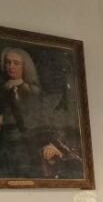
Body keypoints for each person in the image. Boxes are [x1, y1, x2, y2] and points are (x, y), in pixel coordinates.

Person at [0, 47, 72, 178]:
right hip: (5, 144)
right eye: (8, 62)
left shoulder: (33, 92)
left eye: (16, 63)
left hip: (27, 145)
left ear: (24, 66)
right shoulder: (3, 90)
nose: (11, 66)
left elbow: (40, 122)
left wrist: (50, 143)